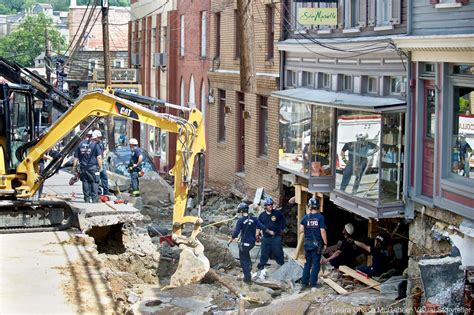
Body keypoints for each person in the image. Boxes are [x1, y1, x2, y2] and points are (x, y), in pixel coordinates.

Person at [230, 202, 273, 284]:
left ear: (242, 211)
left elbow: (236, 232)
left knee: (243, 261)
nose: (239, 214)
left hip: (244, 244)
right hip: (252, 243)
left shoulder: (241, 220)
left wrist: (231, 239)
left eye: (240, 212)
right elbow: (262, 227)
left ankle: (247, 279)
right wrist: (270, 232)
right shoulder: (254, 219)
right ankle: (249, 267)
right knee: (246, 255)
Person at [300, 197, 328, 291]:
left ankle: (304, 283)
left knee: (307, 263)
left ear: (309, 207)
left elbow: (301, 230)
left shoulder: (305, 218)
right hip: (317, 245)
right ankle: (313, 285)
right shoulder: (320, 217)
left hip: (307, 244)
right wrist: (325, 243)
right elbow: (322, 231)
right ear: (318, 206)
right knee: (316, 264)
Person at [257, 196, 286, 270]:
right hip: (266, 238)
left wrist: (281, 230)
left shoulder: (277, 213)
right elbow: (258, 225)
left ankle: (282, 266)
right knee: (264, 253)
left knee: (278, 252)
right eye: (269, 205)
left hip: (276, 237)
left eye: (271, 204)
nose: (271, 206)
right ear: (265, 206)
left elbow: (283, 222)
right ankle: (261, 267)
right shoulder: (262, 215)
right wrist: (257, 234)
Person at [73, 130, 102, 203]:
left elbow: (76, 158)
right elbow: (99, 157)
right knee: (94, 182)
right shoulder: (95, 145)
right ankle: (94, 199)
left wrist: (74, 168)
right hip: (93, 167)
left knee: (85, 182)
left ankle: (87, 199)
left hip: (83, 168)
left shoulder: (80, 144)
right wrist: (100, 166)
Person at [92, 130, 110, 195]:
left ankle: (106, 191)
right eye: (99, 137)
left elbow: (103, 150)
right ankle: (98, 192)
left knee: (104, 176)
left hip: (101, 162)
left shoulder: (100, 143)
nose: (100, 138)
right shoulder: (92, 144)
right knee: (97, 178)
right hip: (95, 163)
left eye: (100, 137)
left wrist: (104, 158)